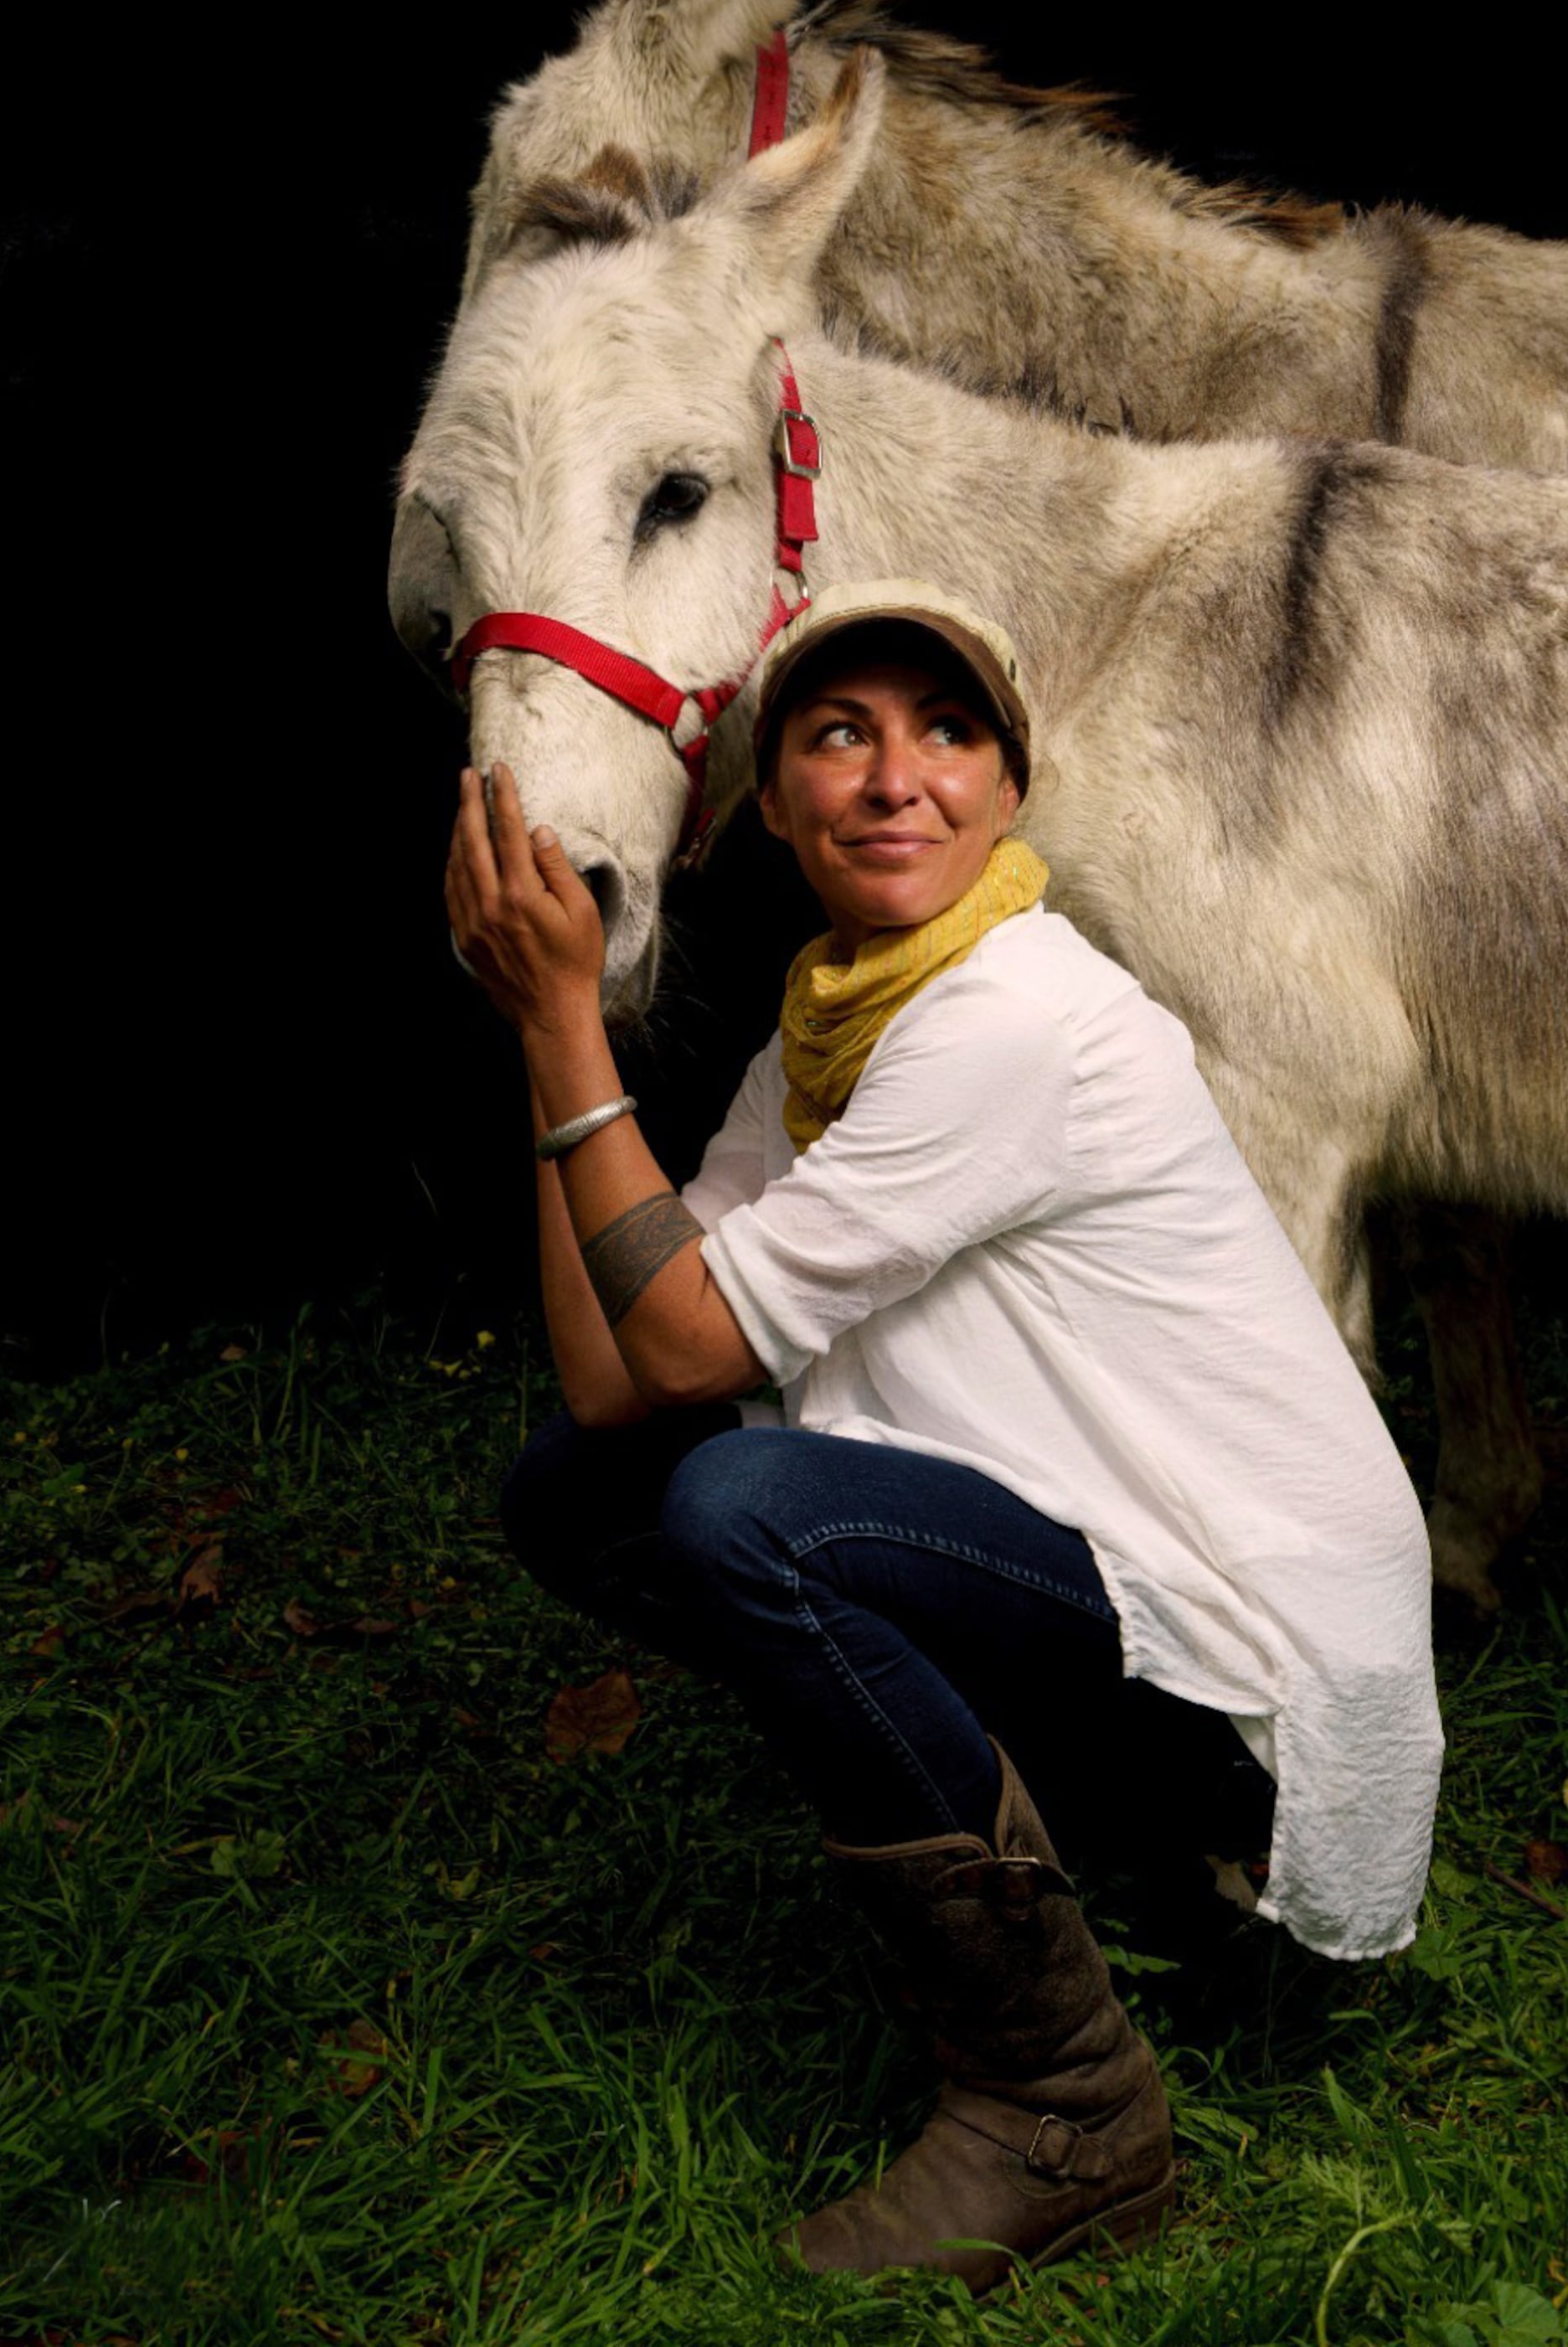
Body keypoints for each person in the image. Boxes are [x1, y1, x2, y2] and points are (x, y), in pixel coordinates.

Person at [444, 579, 1443, 2293]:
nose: (894, 777)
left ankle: (1066, 2106)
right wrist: (566, 1062)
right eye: (838, 734)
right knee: (582, 1488)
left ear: (1005, 791)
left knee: (747, 1508)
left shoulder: (1012, 1022)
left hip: (1252, 1651)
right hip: (1109, 1564)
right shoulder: (829, 1022)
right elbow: (619, 1386)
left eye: (947, 732)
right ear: (769, 805)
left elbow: (681, 1342)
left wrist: (558, 1024)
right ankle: (1074, 1844)